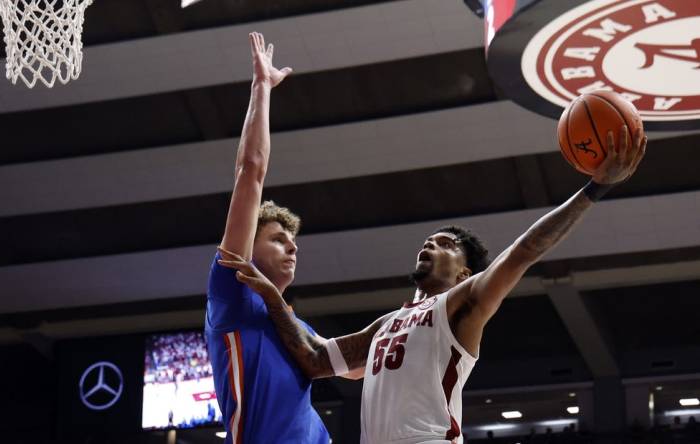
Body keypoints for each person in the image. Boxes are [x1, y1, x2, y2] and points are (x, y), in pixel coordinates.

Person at [217, 125, 647, 443]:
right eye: (429, 240)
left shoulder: (462, 304)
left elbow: (525, 250)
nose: (431, 244)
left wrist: (594, 188)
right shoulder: (386, 324)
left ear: (464, 273)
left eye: (446, 244)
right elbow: (312, 359)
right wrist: (273, 297)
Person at [206, 32, 391, 443]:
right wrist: (261, 88)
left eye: (293, 242)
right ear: (246, 249)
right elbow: (250, 169)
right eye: (277, 239)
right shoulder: (230, 294)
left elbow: (357, 368)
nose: (292, 247)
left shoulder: (293, 325)